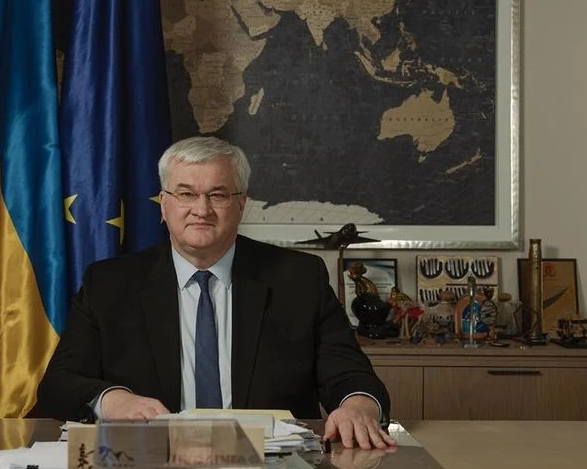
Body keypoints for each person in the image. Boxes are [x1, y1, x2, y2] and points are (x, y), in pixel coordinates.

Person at [34, 137, 395, 450]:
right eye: (186, 194)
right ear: (164, 204)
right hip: (149, 465)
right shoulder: (109, 284)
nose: (201, 209)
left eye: (218, 194)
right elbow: (59, 385)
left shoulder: (298, 279)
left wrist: (358, 405)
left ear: (241, 204)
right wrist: (112, 401)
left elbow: (349, 374)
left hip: (273, 468)